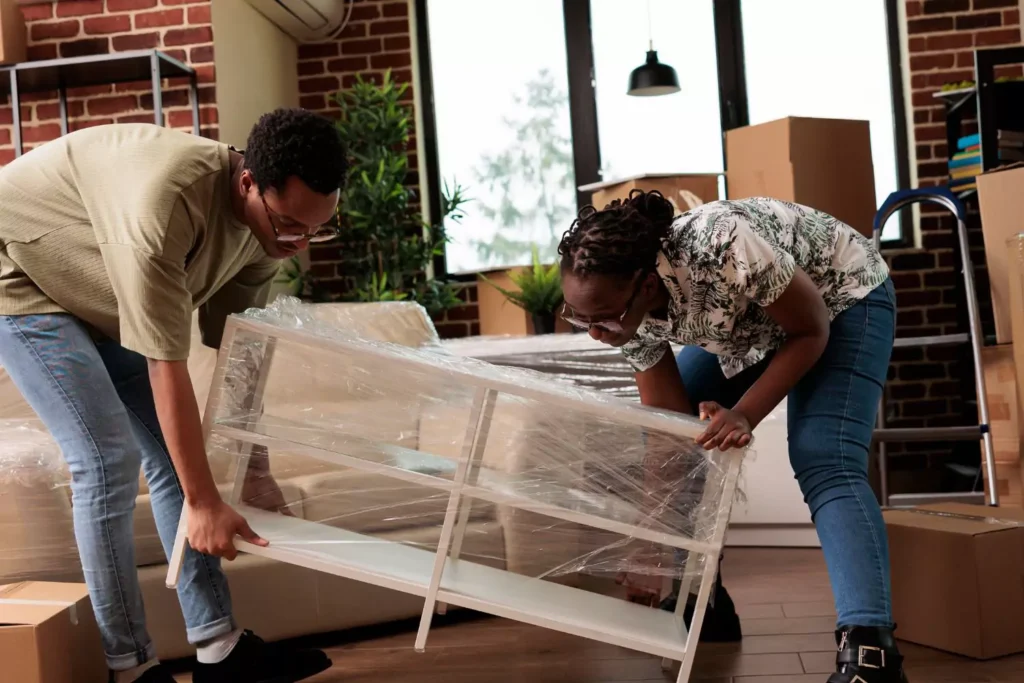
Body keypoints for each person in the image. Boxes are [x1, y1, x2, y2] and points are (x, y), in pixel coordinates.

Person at [0, 109, 346, 683]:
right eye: (290, 224)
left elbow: (239, 357)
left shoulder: (267, 236)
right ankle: (131, 668)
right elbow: (167, 364)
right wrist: (203, 503)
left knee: (175, 455)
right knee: (107, 459)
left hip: (94, 282)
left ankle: (219, 649)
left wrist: (255, 469)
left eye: (317, 230)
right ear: (247, 183)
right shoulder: (166, 207)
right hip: (19, 270)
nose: (299, 244)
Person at [556, 190, 906, 683]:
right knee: (679, 438)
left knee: (823, 455)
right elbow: (669, 437)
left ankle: (871, 653)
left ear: (647, 285)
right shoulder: (622, 312)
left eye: (604, 317)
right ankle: (703, 600)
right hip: (757, 323)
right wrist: (651, 542)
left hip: (842, 297)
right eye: (579, 318)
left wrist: (744, 414)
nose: (595, 332)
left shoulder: (722, 244)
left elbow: (810, 330)